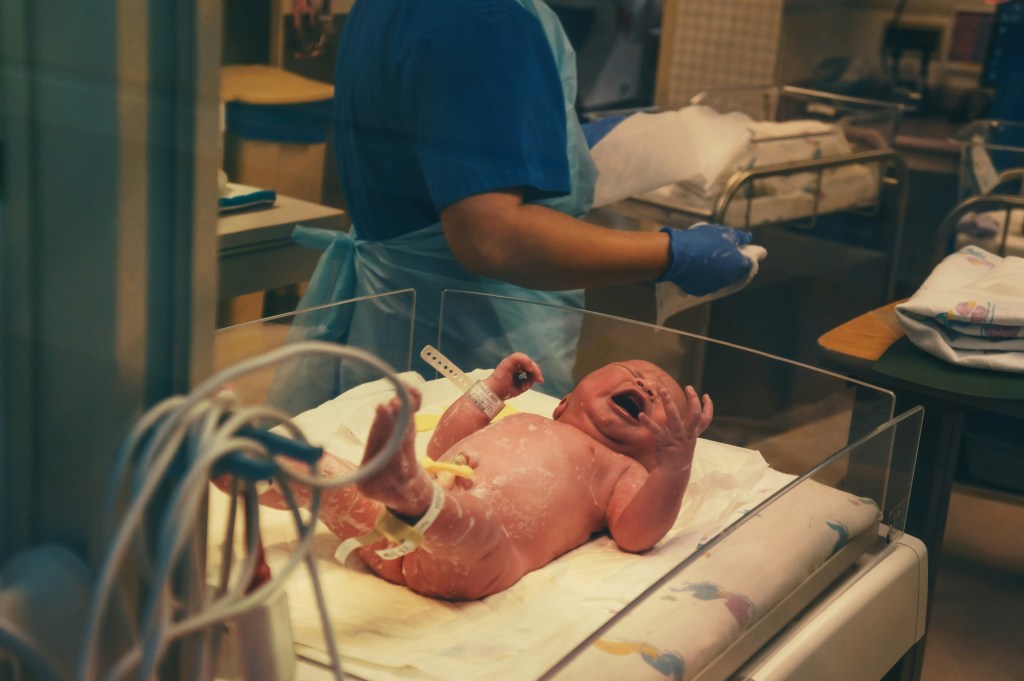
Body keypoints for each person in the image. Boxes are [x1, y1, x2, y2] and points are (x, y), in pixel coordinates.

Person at [282, 0, 755, 408]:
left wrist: (550, 142)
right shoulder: (486, 20)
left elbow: (429, 146)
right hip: (464, 336)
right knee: (458, 489)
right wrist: (672, 254)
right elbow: (492, 238)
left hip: (394, 319)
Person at [249, 352, 713, 601]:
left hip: (474, 560)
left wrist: (673, 468)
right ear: (564, 401)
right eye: (635, 373)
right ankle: (268, 472)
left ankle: (412, 495)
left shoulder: (623, 470)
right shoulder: (526, 419)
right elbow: (441, 446)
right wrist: (490, 392)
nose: (647, 387)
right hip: (391, 537)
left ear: (658, 451)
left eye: (660, 402)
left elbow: (636, 533)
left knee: (476, 524)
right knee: (326, 472)